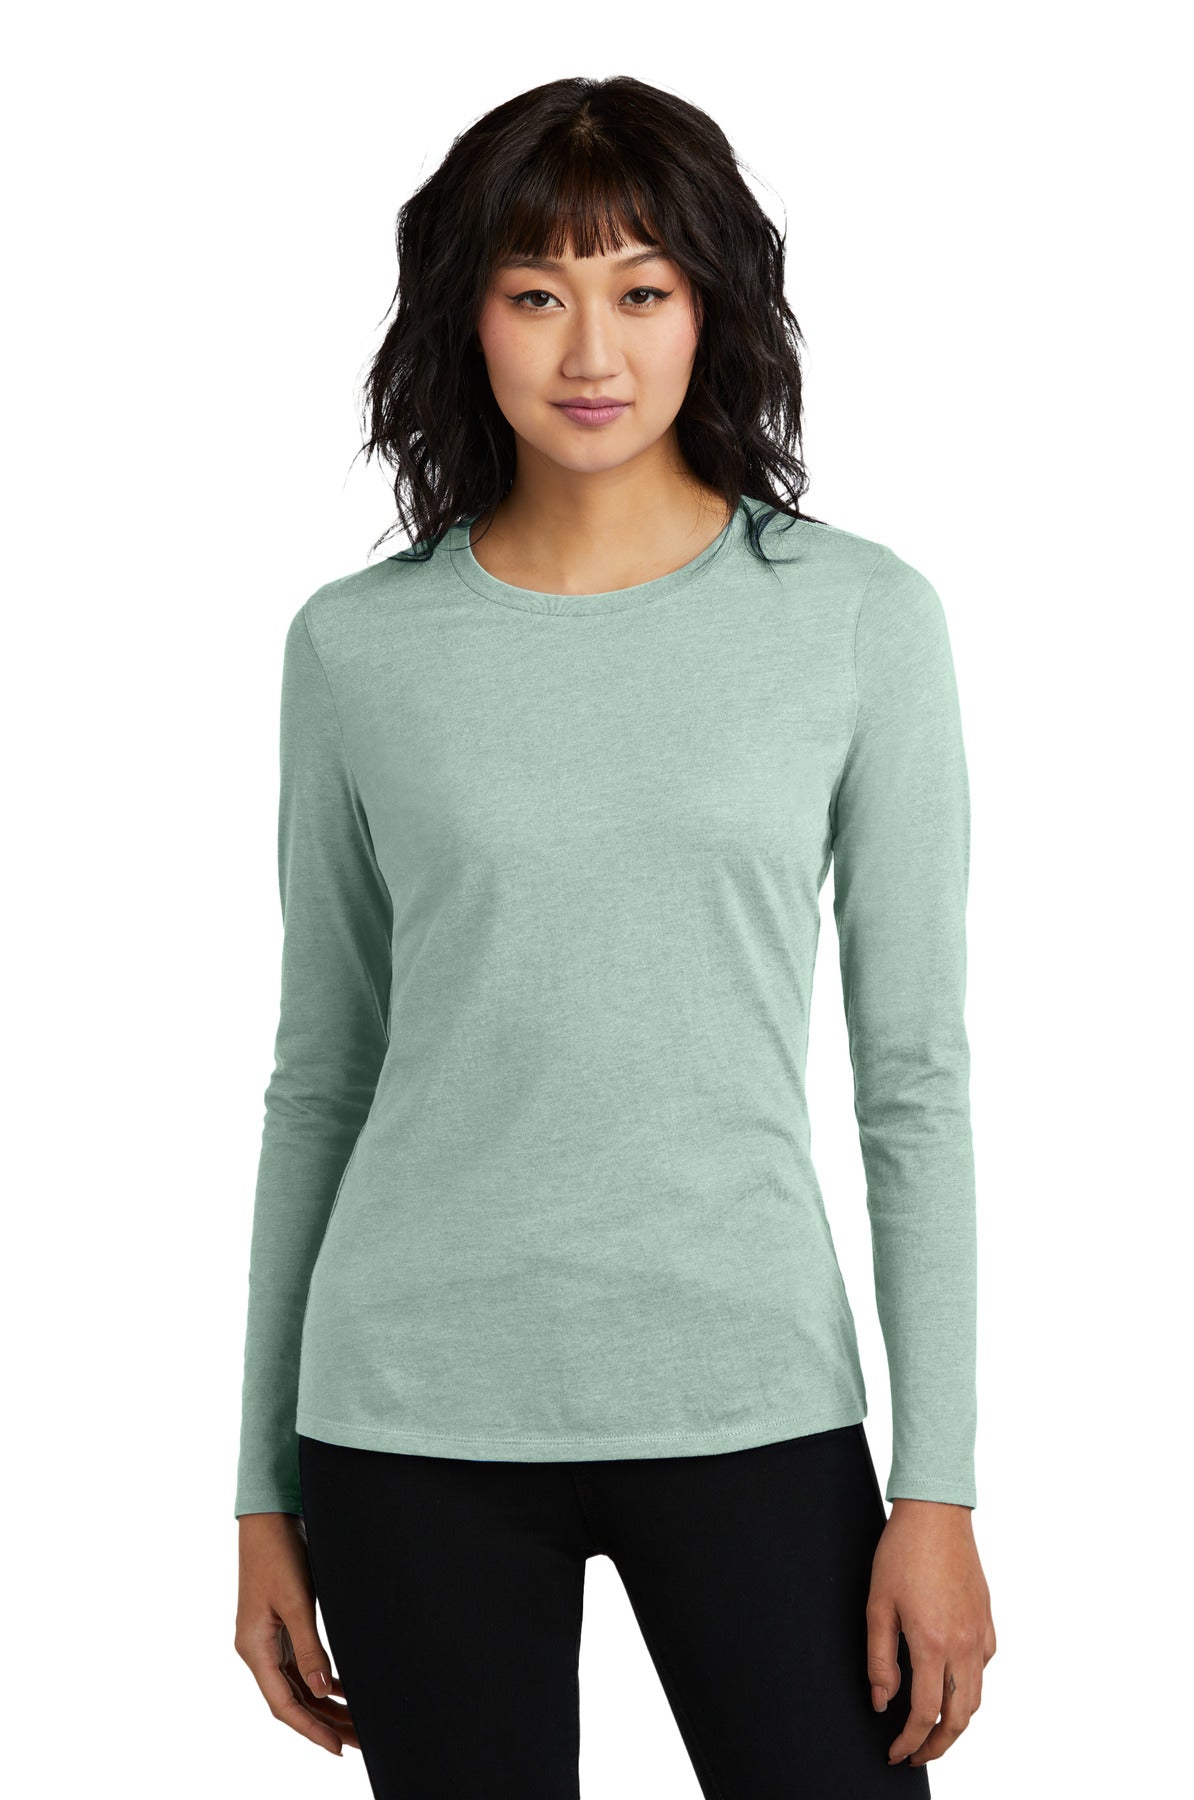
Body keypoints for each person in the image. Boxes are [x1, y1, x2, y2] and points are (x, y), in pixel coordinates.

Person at [232, 73, 996, 1799]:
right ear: (468, 319)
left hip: (750, 1394)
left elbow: (916, 1081)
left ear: (709, 310)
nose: (593, 349)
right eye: (537, 293)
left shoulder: (857, 620)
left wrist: (937, 1486)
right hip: (406, 1415)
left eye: (641, 289)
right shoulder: (357, 649)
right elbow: (320, 1078)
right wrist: (261, 1492)